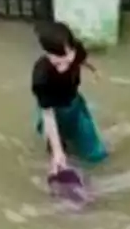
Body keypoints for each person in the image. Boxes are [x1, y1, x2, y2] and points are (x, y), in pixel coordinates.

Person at [32, 20, 107, 171]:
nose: (63, 63)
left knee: (96, 155)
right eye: (57, 60)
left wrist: (94, 70)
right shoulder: (41, 77)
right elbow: (48, 114)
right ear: (47, 54)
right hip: (54, 111)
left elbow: (82, 59)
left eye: (67, 57)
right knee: (57, 151)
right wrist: (58, 152)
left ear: (73, 48)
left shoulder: (76, 50)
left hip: (74, 104)